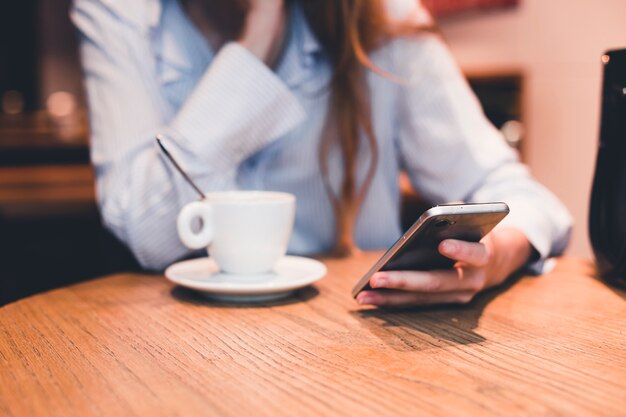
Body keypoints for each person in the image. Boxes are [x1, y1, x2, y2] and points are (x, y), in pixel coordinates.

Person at [71, 0, 572, 307]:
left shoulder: (384, 19)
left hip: (354, 340)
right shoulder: (119, 11)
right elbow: (145, 232)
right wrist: (255, 45)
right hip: (172, 353)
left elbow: (525, 199)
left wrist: (494, 259)